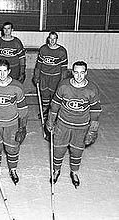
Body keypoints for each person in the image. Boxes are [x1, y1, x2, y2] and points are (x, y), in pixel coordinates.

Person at [46, 61, 102, 189]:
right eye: (76, 72)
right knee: (58, 149)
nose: (79, 76)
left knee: (77, 151)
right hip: (63, 124)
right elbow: (55, 105)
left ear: (86, 73)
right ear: (72, 72)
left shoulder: (92, 89)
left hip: (81, 126)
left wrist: (92, 131)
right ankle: (56, 170)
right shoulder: (64, 85)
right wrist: (50, 121)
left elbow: (95, 112)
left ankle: (74, 172)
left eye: (82, 73)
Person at [32, 31, 68, 122]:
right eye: (50, 38)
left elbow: (64, 68)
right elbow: (39, 64)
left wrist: (63, 80)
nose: (52, 41)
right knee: (44, 94)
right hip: (44, 76)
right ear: (48, 39)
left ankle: (52, 112)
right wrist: (36, 76)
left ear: (56, 39)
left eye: (54, 38)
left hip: (55, 77)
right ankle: (44, 110)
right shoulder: (43, 49)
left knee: (54, 95)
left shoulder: (62, 51)